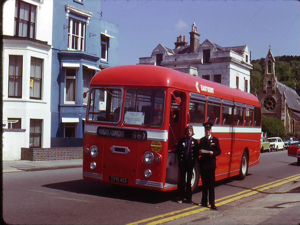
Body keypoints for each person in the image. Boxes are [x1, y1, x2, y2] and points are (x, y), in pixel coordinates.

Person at [198, 122, 221, 210]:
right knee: (204, 184)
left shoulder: (215, 140)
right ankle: (204, 201)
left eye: (208, 130)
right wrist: (199, 151)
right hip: (204, 165)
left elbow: (219, 151)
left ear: (211, 130)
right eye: (206, 130)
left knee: (211, 185)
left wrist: (213, 153)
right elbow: (199, 150)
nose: (207, 131)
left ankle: (212, 203)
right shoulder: (202, 140)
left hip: (211, 165)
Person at [176, 125, 199, 204]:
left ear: (192, 132)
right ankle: (181, 197)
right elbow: (178, 151)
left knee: (189, 181)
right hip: (183, 163)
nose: (189, 132)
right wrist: (179, 161)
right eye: (188, 130)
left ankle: (189, 198)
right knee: (182, 180)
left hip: (190, 164)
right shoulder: (181, 141)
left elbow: (196, 153)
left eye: (190, 131)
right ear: (186, 132)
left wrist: (193, 162)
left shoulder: (195, 142)